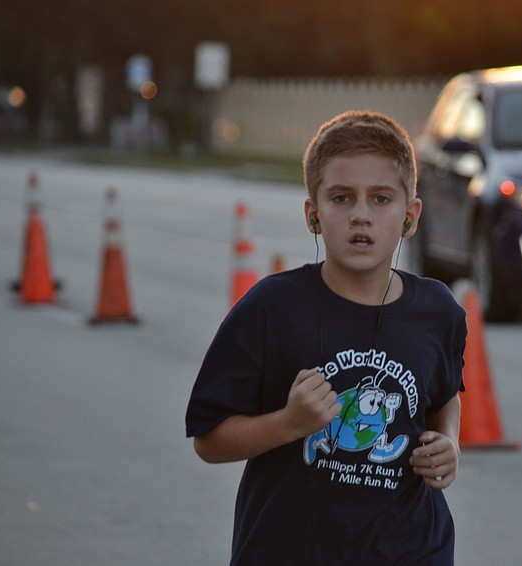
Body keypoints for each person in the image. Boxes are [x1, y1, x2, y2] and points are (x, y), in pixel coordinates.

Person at [185, 110, 467, 565]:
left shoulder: (438, 312)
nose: (361, 215)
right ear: (313, 215)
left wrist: (448, 442)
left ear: (410, 215)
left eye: (380, 199)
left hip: (411, 549)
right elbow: (209, 439)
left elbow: (444, 392)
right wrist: (289, 425)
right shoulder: (271, 308)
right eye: (341, 198)